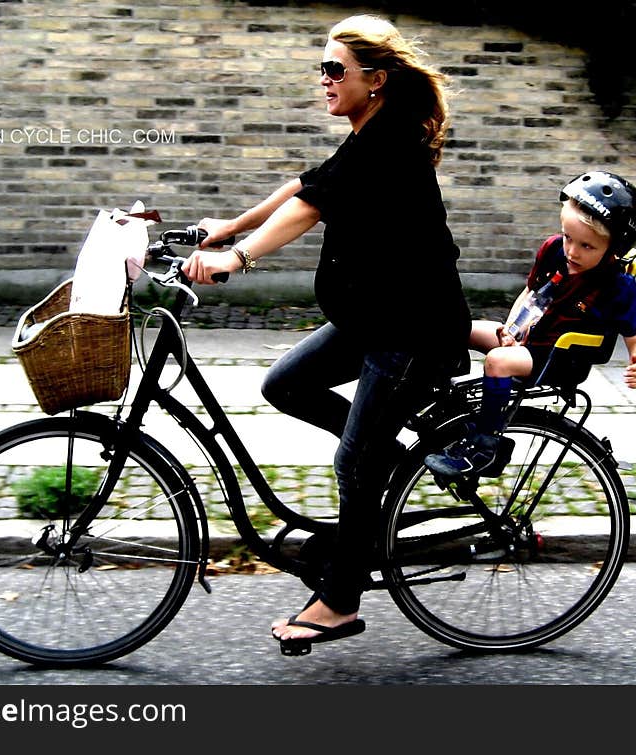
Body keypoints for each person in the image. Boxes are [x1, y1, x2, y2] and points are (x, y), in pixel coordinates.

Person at [181, 14, 471, 652]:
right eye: (322, 68)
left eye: (335, 69)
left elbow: (310, 208)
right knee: (287, 384)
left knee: (351, 462)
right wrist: (228, 226)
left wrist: (239, 258)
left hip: (409, 330)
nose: (324, 80)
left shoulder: (388, 141)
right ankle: (393, 468)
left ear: (376, 79)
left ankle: (340, 600)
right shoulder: (368, 134)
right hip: (372, 317)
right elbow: (303, 187)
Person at [424, 170, 636, 480]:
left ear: (613, 249)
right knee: (456, 328)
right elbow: (531, 294)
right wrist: (511, 328)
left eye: (587, 246)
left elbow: (635, 338)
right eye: (569, 237)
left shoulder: (616, 284)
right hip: (530, 340)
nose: (572, 251)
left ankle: (484, 447)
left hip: (558, 358)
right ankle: (438, 397)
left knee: (498, 361)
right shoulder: (553, 251)